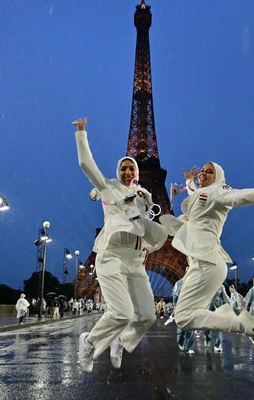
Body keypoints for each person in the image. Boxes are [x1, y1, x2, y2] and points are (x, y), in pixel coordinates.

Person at [162, 163, 254, 344]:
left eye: (209, 172)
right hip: (202, 261)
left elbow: (238, 196)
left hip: (207, 262)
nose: (203, 174)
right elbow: (196, 195)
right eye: (202, 171)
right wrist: (189, 181)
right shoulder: (204, 194)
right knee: (185, 315)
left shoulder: (219, 191)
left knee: (184, 317)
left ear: (219, 177)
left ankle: (239, 323)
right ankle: (228, 316)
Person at [73, 118, 168, 372]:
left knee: (147, 316)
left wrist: (147, 205)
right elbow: (86, 164)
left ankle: (120, 339)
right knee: (123, 313)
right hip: (112, 255)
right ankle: (90, 341)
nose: (128, 172)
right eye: (124, 168)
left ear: (137, 173)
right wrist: (82, 133)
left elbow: (143, 228)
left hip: (136, 260)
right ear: (118, 171)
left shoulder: (142, 198)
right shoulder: (108, 188)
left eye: (131, 169)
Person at [171, 275, 195, 355]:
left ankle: (189, 347)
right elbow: (175, 295)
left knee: (191, 327)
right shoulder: (179, 283)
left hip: (191, 307)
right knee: (181, 326)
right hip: (181, 307)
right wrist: (175, 306)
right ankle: (180, 340)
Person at [205, 285, 231, 353]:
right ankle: (207, 336)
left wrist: (228, 303)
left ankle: (217, 345)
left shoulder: (221, 287)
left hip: (218, 308)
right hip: (208, 308)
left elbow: (224, 296)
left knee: (218, 327)